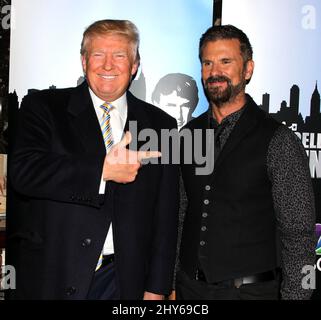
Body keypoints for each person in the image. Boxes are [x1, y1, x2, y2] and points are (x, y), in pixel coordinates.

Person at [7, 19, 179, 300]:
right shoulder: (43, 107)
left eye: (119, 56)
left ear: (134, 65)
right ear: (84, 61)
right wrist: (101, 171)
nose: (108, 65)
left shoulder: (162, 125)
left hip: (124, 282)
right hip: (54, 275)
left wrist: (157, 288)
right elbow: (24, 172)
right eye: (98, 55)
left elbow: (165, 216)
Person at [176, 25, 316, 300]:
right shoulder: (186, 136)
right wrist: (169, 283)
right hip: (189, 290)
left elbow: (299, 233)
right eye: (207, 62)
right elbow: (179, 215)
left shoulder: (279, 140)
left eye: (226, 62)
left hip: (252, 293)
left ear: (248, 69)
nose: (214, 72)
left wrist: (297, 296)